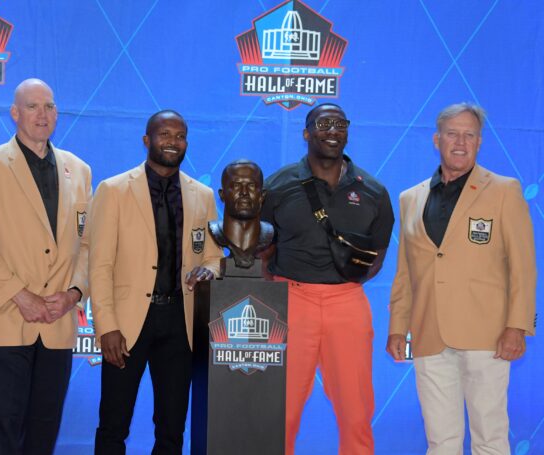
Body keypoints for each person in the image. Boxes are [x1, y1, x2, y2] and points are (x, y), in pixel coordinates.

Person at [387, 103, 536, 454]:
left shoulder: (504, 190)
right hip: (428, 334)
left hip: (489, 336)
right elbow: (406, 272)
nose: (460, 142)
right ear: (437, 140)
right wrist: (397, 326)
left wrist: (517, 326)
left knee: (490, 438)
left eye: (469, 135)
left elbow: (523, 265)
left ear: (480, 143)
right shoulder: (411, 198)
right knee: (441, 440)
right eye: (452, 133)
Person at [0, 78, 92, 454]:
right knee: (0, 432)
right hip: (8, 318)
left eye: (49, 106)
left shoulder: (79, 170)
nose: (42, 114)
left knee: (43, 433)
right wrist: (20, 295)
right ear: (14, 114)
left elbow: (88, 245)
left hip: (58, 323)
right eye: (33, 106)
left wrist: (73, 293)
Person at [261, 103, 394, 454]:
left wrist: (346, 283)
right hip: (290, 301)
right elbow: (261, 246)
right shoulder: (277, 185)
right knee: (280, 412)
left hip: (347, 302)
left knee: (356, 414)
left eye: (340, 123)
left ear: (347, 131)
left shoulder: (373, 191)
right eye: (323, 123)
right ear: (307, 133)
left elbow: (378, 253)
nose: (332, 130)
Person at [90, 110, 223, 454]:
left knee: (172, 427)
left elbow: (213, 255)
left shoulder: (202, 195)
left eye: (179, 136)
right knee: (113, 424)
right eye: (164, 134)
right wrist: (106, 326)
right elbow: (100, 264)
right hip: (128, 322)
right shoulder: (114, 190)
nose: (172, 142)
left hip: (181, 321)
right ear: (146, 140)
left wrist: (210, 269)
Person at [208, 159, 274, 269]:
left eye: (251, 185)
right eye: (236, 186)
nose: (244, 192)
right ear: (222, 195)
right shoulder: (212, 231)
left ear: (262, 195)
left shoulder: (269, 234)